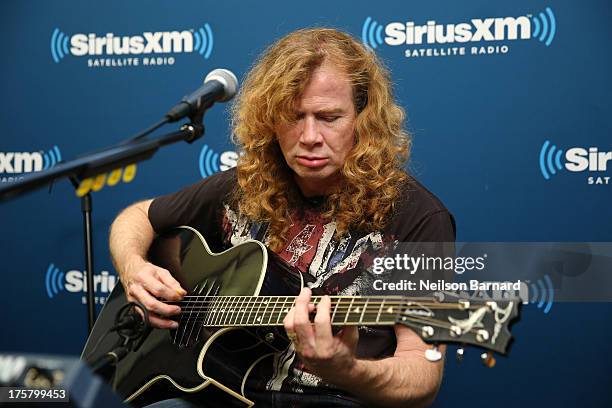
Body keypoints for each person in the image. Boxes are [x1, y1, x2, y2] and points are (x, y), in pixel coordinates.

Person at [109, 28, 455, 407]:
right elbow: (136, 216)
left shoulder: (418, 215)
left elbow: (423, 373)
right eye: (293, 116)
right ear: (269, 120)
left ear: (363, 119)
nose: (309, 136)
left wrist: (348, 369)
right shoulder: (246, 184)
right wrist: (133, 268)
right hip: (219, 392)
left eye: (329, 117)